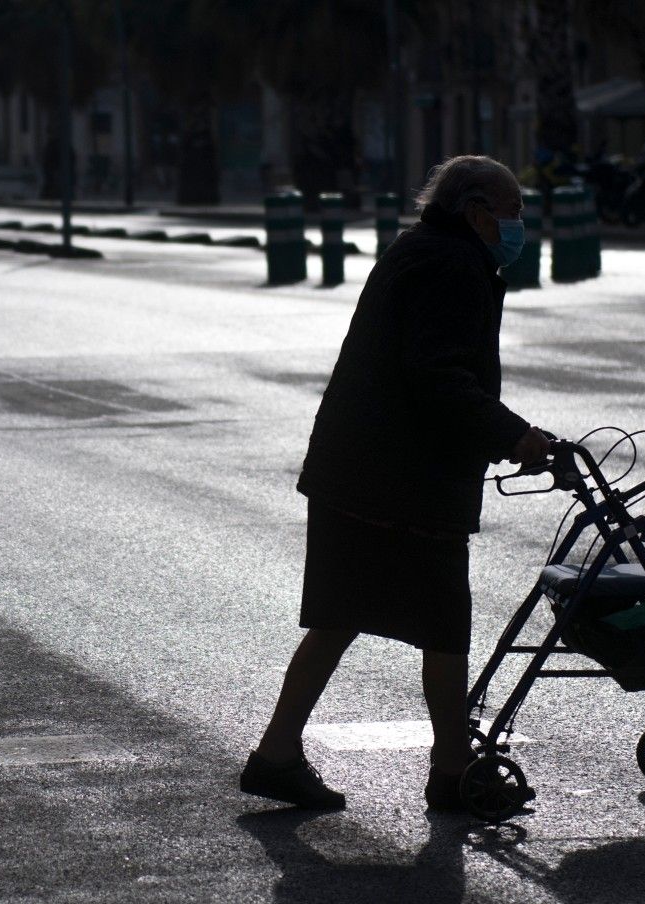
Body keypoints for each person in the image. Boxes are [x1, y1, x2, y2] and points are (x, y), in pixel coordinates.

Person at [241, 155, 550, 813]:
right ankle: (448, 771)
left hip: (357, 470)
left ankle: (276, 754)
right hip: (401, 481)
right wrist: (514, 435)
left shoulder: (422, 250)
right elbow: (438, 378)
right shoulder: (453, 266)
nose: (520, 226)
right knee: (442, 623)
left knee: (338, 617)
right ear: (477, 212)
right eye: (514, 212)